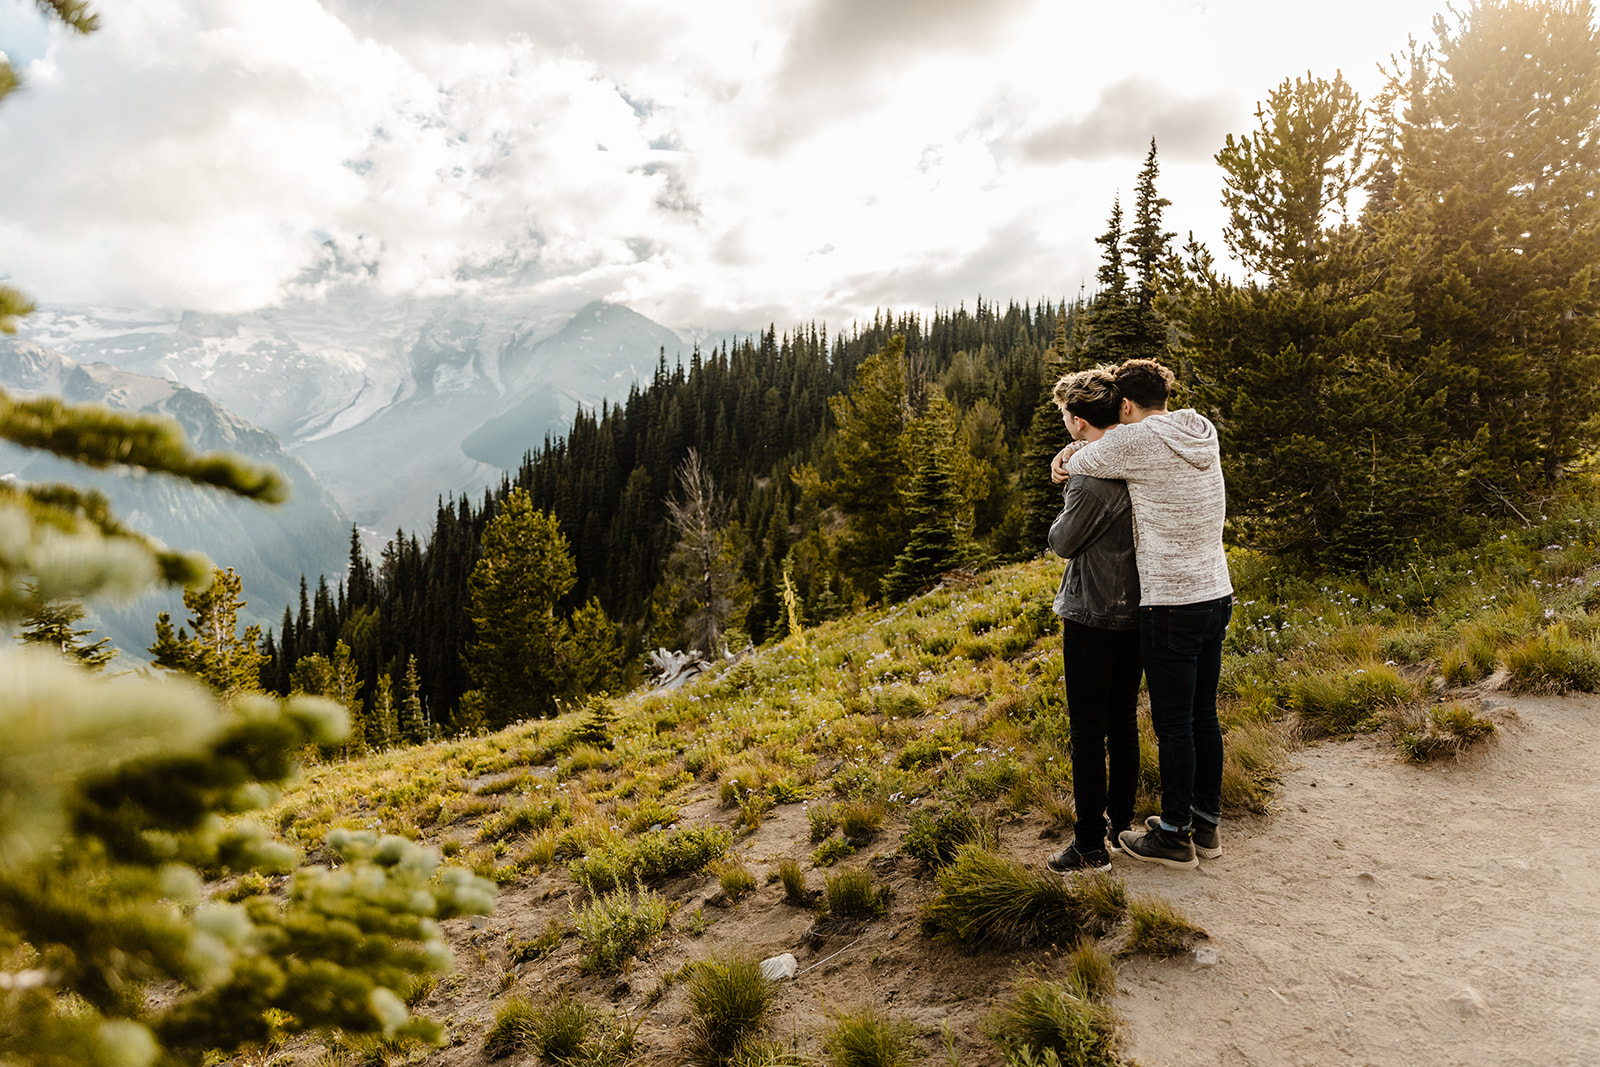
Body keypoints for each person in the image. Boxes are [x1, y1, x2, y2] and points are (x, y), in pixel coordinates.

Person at [1053, 358, 1232, 870]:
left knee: (1171, 724)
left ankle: (1173, 836)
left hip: (1169, 601)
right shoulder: (1200, 428)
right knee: (1201, 715)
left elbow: (1081, 465)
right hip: (1216, 589)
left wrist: (1064, 456)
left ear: (1125, 405)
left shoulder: (1133, 444)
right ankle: (1204, 824)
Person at [1042, 367, 1143, 875]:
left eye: (1064, 416)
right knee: (1123, 720)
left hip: (1091, 613)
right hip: (1140, 609)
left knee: (1087, 730)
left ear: (1079, 423)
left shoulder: (1090, 479)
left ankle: (1089, 845)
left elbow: (1063, 542)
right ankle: (1122, 824)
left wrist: (1069, 474)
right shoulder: (1140, 455)